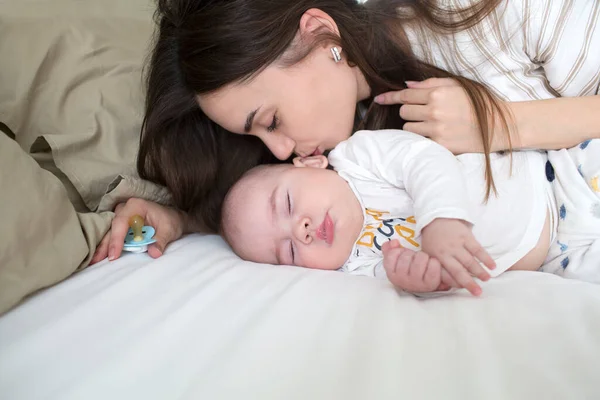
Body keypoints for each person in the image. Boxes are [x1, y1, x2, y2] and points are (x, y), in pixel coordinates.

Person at [95, 0, 600, 266]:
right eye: (258, 141)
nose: (280, 151)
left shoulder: (478, 15)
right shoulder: (350, 137)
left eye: (270, 122)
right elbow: (275, 207)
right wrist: (179, 218)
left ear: (318, 31)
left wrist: (497, 124)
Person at [219, 130, 600, 295]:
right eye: (288, 252)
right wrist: (421, 280)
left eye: (287, 204)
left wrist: (441, 218)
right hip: (558, 258)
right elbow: (426, 282)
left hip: (558, 177)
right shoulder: (356, 270)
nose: (300, 230)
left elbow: (424, 159)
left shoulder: (357, 159)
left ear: (312, 163)